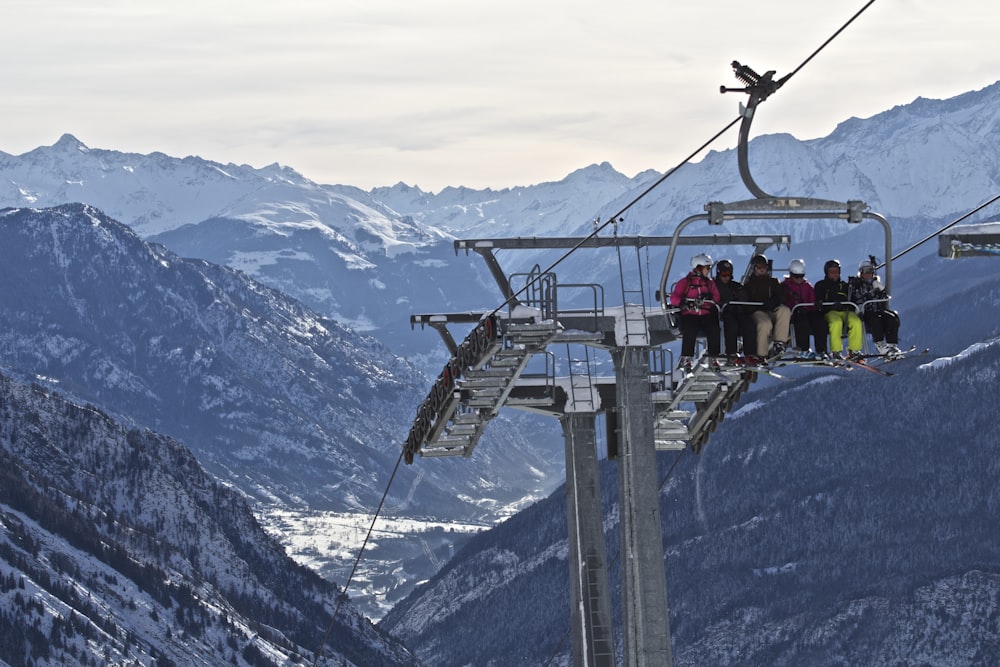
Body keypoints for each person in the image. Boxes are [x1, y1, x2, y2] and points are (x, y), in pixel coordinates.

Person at [669, 253, 721, 368]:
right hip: (690, 314)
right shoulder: (685, 283)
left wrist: (708, 297)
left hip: (706, 313)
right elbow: (674, 298)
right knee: (690, 328)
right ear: (699, 268)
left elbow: (717, 297)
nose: (709, 271)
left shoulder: (709, 283)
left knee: (714, 328)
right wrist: (684, 303)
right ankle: (687, 357)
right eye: (707, 268)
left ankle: (713, 356)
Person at [849, 257, 902, 356]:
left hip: (878, 309)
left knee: (892, 317)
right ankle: (880, 345)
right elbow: (857, 298)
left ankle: (892, 345)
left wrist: (881, 290)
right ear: (861, 272)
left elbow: (883, 297)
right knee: (876, 320)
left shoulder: (876, 284)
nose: (868, 274)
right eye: (865, 271)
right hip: (866, 312)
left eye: (870, 271)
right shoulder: (857, 285)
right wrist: (860, 309)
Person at [742, 254, 791, 358]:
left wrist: (774, 301)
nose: (762, 270)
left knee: (785, 311)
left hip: (771, 309)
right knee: (764, 324)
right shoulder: (749, 285)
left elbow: (781, 296)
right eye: (759, 267)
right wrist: (759, 305)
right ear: (754, 268)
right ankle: (761, 354)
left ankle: (779, 343)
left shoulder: (773, 282)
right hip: (757, 310)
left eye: (764, 267)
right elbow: (746, 303)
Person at [813, 259, 863, 359]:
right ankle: (836, 351)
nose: (835, 274)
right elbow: (818, 301)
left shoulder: (845, 286)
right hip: (830, 312)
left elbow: (853, 300)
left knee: (856, 322)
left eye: (837, 272)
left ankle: (854, 350)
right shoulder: (821, 285)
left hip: (845, 311)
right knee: (836, 323)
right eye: (832, 272)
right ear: (827, 272)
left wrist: (852, 306)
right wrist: (826, 306)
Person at [781, 259, 827, 359]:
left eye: (801, 276)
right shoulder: (785, 287)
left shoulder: (807, 286)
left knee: (819, 321)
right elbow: (784, 301)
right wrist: (794, 307)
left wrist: (817, 306)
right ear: (791, 274)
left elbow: (812, 299)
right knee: (802, 322)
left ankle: (821, 350)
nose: (799, 279)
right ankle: (803, 349)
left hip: (807, 311)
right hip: (795, 313)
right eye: (796, 276)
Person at [714, 259, 756, 361]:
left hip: (737, 312)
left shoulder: (735, 286)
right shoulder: (713, 286)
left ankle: (750, 354)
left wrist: (739, 301)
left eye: (728, 274)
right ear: (719, 274)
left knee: (749, 323)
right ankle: (731, 353)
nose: (726, 277)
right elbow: (712, 299)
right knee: (731, 325)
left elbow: (744, 296)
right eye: (724, 274)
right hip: (722, 314)